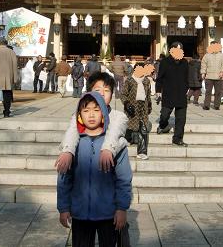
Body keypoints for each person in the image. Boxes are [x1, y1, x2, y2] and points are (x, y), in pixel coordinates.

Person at [57, 92, 132, 247]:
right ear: (79, 115)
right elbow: (64, 179)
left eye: (96, 110)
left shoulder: (114, 145)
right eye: (86, 110)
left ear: (104, 113)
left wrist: (121, 208)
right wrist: (63, 207)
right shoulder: (73, 145)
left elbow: (124, 179)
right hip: (80, 214)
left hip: (108, 214)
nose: (91, 115)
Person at [55, 72, 128, 174]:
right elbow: (72, 130)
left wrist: (108, 149)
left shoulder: (119, 117)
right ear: (89, 93)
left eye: (106, 90)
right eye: (97, 90)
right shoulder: (80, 115)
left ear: (112, 95)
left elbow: (114, 133)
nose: (102, 94)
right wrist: (67, 151)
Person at [155, 42, 189, 147]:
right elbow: (159, 78)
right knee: (165, 115)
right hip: (168, 94)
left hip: (181, 95)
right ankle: (162, 125)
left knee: (181, 119)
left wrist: (187, 89)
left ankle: (178, 139)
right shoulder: (165, 62)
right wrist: (158, 91)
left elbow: (186, 77)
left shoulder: (185, 63)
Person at [121, 63, 152, 160]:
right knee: (130, 126)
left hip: (143, 106)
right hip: (132, 106)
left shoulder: (146, 81)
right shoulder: (130, 80)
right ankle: (127, 140)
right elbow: (123, 94)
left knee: (143, 128)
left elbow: (148, 95)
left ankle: (142, 151)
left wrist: (149, 105)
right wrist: (126, 104)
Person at [0, 37, 18, 118]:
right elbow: (15, 65)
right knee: (7, 94)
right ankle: (7, 112)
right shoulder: (11, 52)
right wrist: (15, 77)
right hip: (8, 75)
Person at [201, 41, 223, 111]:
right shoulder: (206, 55)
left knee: (218, 92)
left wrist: (222, 71)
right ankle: (206, 105)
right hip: (209, 76)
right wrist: (203, 73)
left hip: (219, 76)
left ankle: (217, 105)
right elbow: (203, 65)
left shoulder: (221, 55)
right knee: (208, 92)